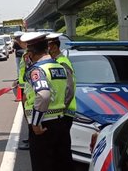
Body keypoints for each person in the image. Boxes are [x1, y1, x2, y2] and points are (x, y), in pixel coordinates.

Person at [21, 32, 74, 171]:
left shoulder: (37, 70)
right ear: (46, 48)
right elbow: (69, 91)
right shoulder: (60, 67)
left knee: (42, 165)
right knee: (62, 164)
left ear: (31, 53)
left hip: (43, 127)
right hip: (60, 122)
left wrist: (36, 123)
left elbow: (43, 95)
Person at [46, 32, 75, 168]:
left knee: (63, 151)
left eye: (49, 46)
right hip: (62, 112)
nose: (47, 48)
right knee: (59, 149)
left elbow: (69, 89)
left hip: (65, 112)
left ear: (55, 47)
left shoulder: (62, 63)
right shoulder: (55, 62)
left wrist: (62, 108)